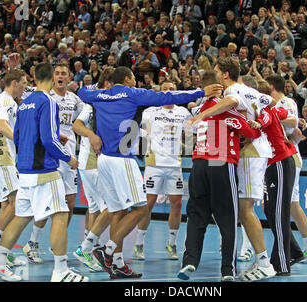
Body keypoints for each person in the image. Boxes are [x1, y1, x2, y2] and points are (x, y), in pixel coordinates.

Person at [77, 66, 221, 279]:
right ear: (127, 79)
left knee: (118, 211)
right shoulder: (132, 93)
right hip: (122, 160)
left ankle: (117, 263)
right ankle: (106, 250)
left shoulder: (99, 94)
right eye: (133, 78)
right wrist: (201, 92)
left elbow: (81, 92)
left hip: (103, 160)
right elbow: (168, 96)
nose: (135, 81)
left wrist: (98, 81)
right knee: (141, 209)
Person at [0, 62, 87, 282]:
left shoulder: (23, 103)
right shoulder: (48, 101)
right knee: (61, 215)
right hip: (44, 170)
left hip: (25, 169)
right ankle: (60, 271)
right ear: (51, 77)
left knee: (21, 217)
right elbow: (50, 140)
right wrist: (69, 158)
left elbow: (20, 137)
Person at [188, 57, 276, 281]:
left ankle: (263, 262)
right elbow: (271, 103)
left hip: (250, 151)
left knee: (244, 209)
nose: (215, 77)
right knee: (240, 208)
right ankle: (256, 258)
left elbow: (229, 103)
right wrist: (260, 120)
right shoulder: (251, 89)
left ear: (225, 74)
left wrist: (202, 114)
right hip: (256, 149)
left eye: (217, 72)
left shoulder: (232, 91)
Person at [177, 70, 261, 282]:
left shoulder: (200, 108)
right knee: (227, 217)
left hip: (198, 162)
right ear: (219, 88)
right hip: (220, 162)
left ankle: (189, 261)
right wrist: (253, 124)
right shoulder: (227, 110)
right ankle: (227, 270)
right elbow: (252, 133)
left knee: (196, 214)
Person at [22, 63, 84, 264]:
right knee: (45, 203)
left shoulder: (75, 100)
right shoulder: (43, 96)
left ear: (69, 79)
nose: (60, 76)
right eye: (56, 73)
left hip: (69, 156)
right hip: (49, 155)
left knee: (70, 202)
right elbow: (17, 91)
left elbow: (83, 121)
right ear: (52, 77)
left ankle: (58, 240)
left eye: (63, 73)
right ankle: (33, 243)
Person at [133, 80, 191, 261]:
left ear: (176, 92)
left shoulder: (183, 112)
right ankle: (139, 243)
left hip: (174, 164)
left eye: (172, 89)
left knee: (177, 204)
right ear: (160, 92)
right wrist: (143, 136)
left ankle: (172, 243)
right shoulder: (150, 111)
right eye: (165, 89)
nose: (168, 91)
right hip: (154, 163)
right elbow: (133, 124)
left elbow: (191, 130)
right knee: (148, 204)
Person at [266, 75, 307, 264]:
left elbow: (292, 129)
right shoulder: (284, 102)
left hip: (288, 155)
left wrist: (292, 123)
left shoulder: (285, 102)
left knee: (283, 205)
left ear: (272, 87)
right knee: (291, 204)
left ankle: (296, 248)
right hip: (288, 155)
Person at [248, 77, 298, 276]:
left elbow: (265, 120)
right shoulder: (274, 109)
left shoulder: (265, 112)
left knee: (278, 213)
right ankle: (282, 256)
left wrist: (257, 123)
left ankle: (282, 265)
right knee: (270, 210)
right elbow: (284, 113)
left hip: (280, 162)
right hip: (272, 163)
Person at [0, 69, 28, 268]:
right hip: (1, 156)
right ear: (14, 84)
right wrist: (21, 139)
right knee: (16, 201)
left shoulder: (7, 99)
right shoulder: (6, 101)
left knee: (7, 204)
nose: (25, 86)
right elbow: (2, 125)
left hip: (1, 156)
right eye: (23, 82)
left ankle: (3, 249)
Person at [72, 68, 115, 273]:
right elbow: (77, 125)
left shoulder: (106, 102)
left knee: (95, 207)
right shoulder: (94, 104)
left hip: (91, 163)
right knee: (111, 206)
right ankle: (86, 247)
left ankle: (90, 250)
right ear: (107, 83)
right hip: (91, 162)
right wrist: (91, 135)